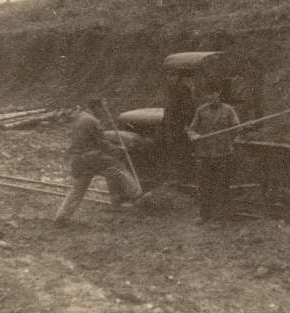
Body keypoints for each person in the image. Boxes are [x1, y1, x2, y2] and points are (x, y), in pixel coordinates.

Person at [55, 98, 142, 226]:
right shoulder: (92, 121)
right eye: (102, 108)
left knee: (78, 189)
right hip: (92, 157)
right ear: (96, 107)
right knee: (118, 167)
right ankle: (138, 196)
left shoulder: (78, 117)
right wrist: (119, 150)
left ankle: (61, 217)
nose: (103, 112)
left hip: (78, 159)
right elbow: (102, 143)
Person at [186, 86, 241, 224]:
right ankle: (204, 215)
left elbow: (236, 126)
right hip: (205, 153)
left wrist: (242, 127)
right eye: (208, 97)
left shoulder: (229, 110)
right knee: (204, 186)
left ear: (219, 95)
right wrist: (194, 135)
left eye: (214, 96)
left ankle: (222, 217)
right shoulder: (201, 110)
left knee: (223, 185)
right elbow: (191, 129)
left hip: (223, 152)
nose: (211, 99)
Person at [161, 70, 196, 182]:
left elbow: (187, 109)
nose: (170, 78)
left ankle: (183, 178)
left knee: (181, 151)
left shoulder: (182, 90)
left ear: (178, 77)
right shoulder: (172, 89)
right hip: (171, 125)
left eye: (173, 75)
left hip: (179, 126)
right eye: (168, 75)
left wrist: (184, 125)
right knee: (173, 151)